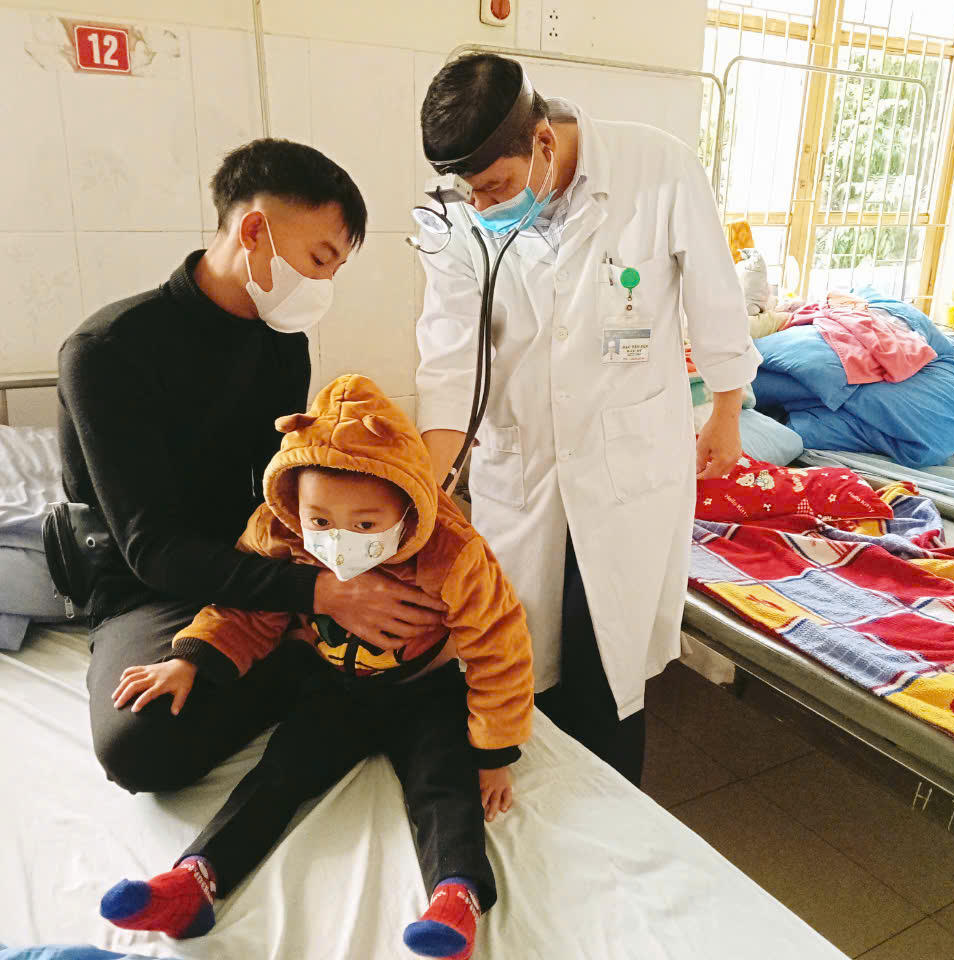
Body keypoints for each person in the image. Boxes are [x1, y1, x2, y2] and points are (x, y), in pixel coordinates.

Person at [58, 139, 448, 794]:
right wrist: (323, 597)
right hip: (154, 585)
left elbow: (282, 493)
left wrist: (358, 553)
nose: (323, 287)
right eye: (319, 260)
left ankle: (313, 660)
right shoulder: (108, 352)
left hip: (263, 562)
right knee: (139, 745)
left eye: (335, 270)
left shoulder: (281, 345)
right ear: (253, 231)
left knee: (424, 626)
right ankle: (308, 668)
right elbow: (153, 549)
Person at [97, 375, 534, 960]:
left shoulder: (450, 553)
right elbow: (245, 611)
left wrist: (496, 753)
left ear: (407, 507)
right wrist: (189, 659)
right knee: (279, 773)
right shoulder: (282, 534)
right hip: (333, 688)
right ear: (292, 505)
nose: (339, 540)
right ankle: (195, 879)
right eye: (321, 521)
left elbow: (499, 643)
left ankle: (456, 899)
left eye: (366, 525)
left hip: (425, 691)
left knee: (444, 785)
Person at [414, 54, 760, 785]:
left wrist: (726, 409)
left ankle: (615, 816)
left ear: (542, 140)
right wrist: (427, 490)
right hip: (524, 465)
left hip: (626, 466)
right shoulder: (457, 217)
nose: (481, 205)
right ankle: (538, 811)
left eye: (495, 187)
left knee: (607, 670)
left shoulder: (656, 166)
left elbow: (714, 293)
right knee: (519, 655)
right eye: (469, 191)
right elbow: (448, 358)